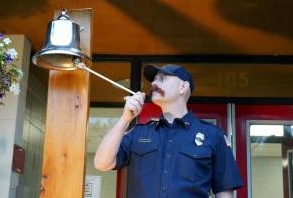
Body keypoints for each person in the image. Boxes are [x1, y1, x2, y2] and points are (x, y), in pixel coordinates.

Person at [94, 64, 243, 198]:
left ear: (183, 87)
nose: (153, 83)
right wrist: (125, 119)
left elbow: (224, 193)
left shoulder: (213, 136)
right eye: (154, 80)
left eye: (162, 79)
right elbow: (102, 163)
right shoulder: (139, 133)